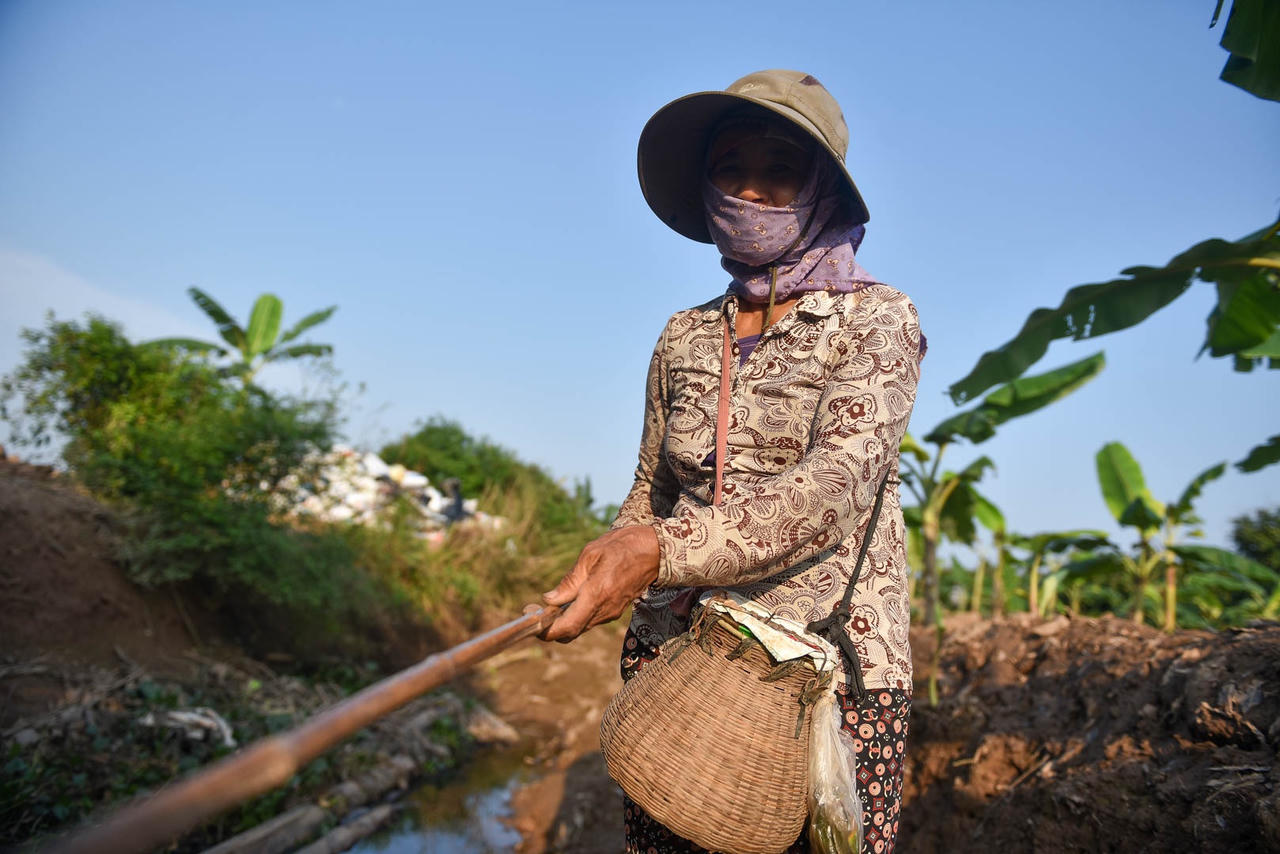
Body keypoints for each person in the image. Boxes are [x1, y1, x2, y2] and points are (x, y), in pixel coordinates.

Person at [540, 70, 923, 854]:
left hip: (825, 669)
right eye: (730, 168)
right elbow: (651, 488)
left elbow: (836, 488)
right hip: (679, 653)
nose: (752, 191)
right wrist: (607, 566)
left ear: (822, 189)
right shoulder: (684, 334)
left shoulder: (878, 319)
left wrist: (660, 552)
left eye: (780, 169)